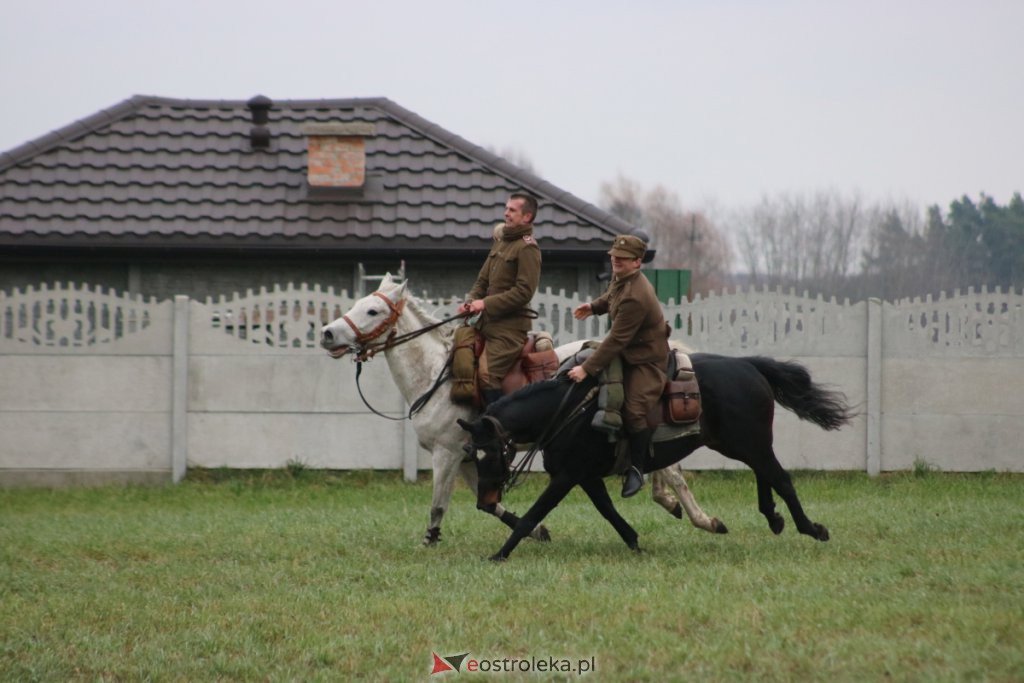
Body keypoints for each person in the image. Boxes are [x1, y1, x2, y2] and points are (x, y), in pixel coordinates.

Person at [568, 234, 669, 497]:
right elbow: (611, 297)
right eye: (614, 256)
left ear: (637, 262)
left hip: (646, 359)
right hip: (628, 351)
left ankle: (637, 468)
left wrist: (587, 369)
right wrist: (593, 307)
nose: (615, 260)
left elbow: (616, 340)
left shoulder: (637, 295)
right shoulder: (621, 278)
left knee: (634, 410)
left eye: (622, 259)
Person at [460, 193, 542, 406]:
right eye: (506, 209)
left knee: (487, 375)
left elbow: (524, 292)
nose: (506, 213)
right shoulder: (502, 242)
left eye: (512, 210)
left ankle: (494, 430)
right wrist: (471, 301)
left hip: (509, 329)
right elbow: (482, 281)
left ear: (527, 217)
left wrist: (485, 304)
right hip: (487, 323)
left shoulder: (527, 247)